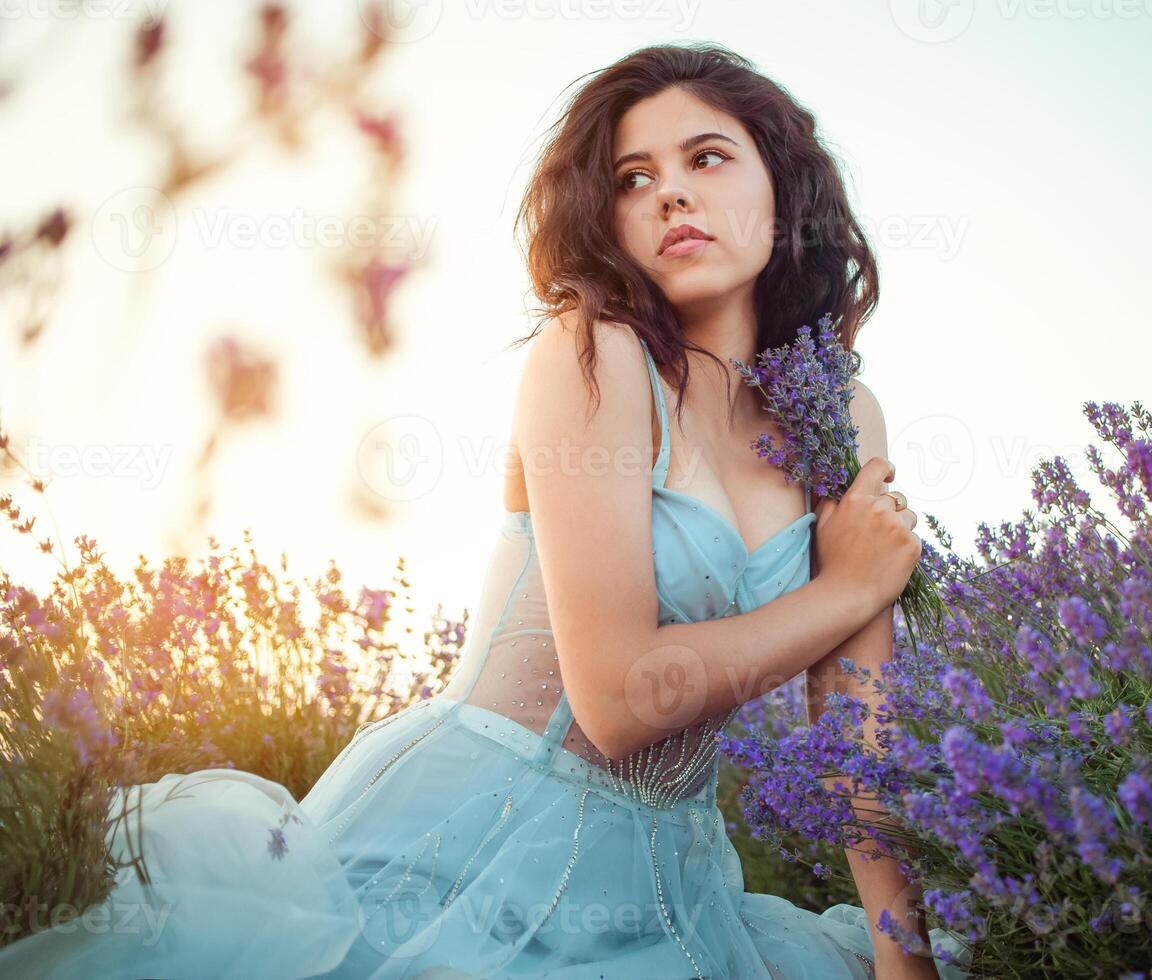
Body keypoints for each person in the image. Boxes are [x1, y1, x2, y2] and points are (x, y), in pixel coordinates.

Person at [0, 42, 971, 979]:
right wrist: (845, 587)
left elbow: (857, 728)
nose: (670, 192)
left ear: (782, 187)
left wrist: (903, 954)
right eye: (632, 178)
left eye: (707, 158)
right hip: (473, 844)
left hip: (677, 882)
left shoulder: (836, 410)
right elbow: (621, 696)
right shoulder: (594, 352)